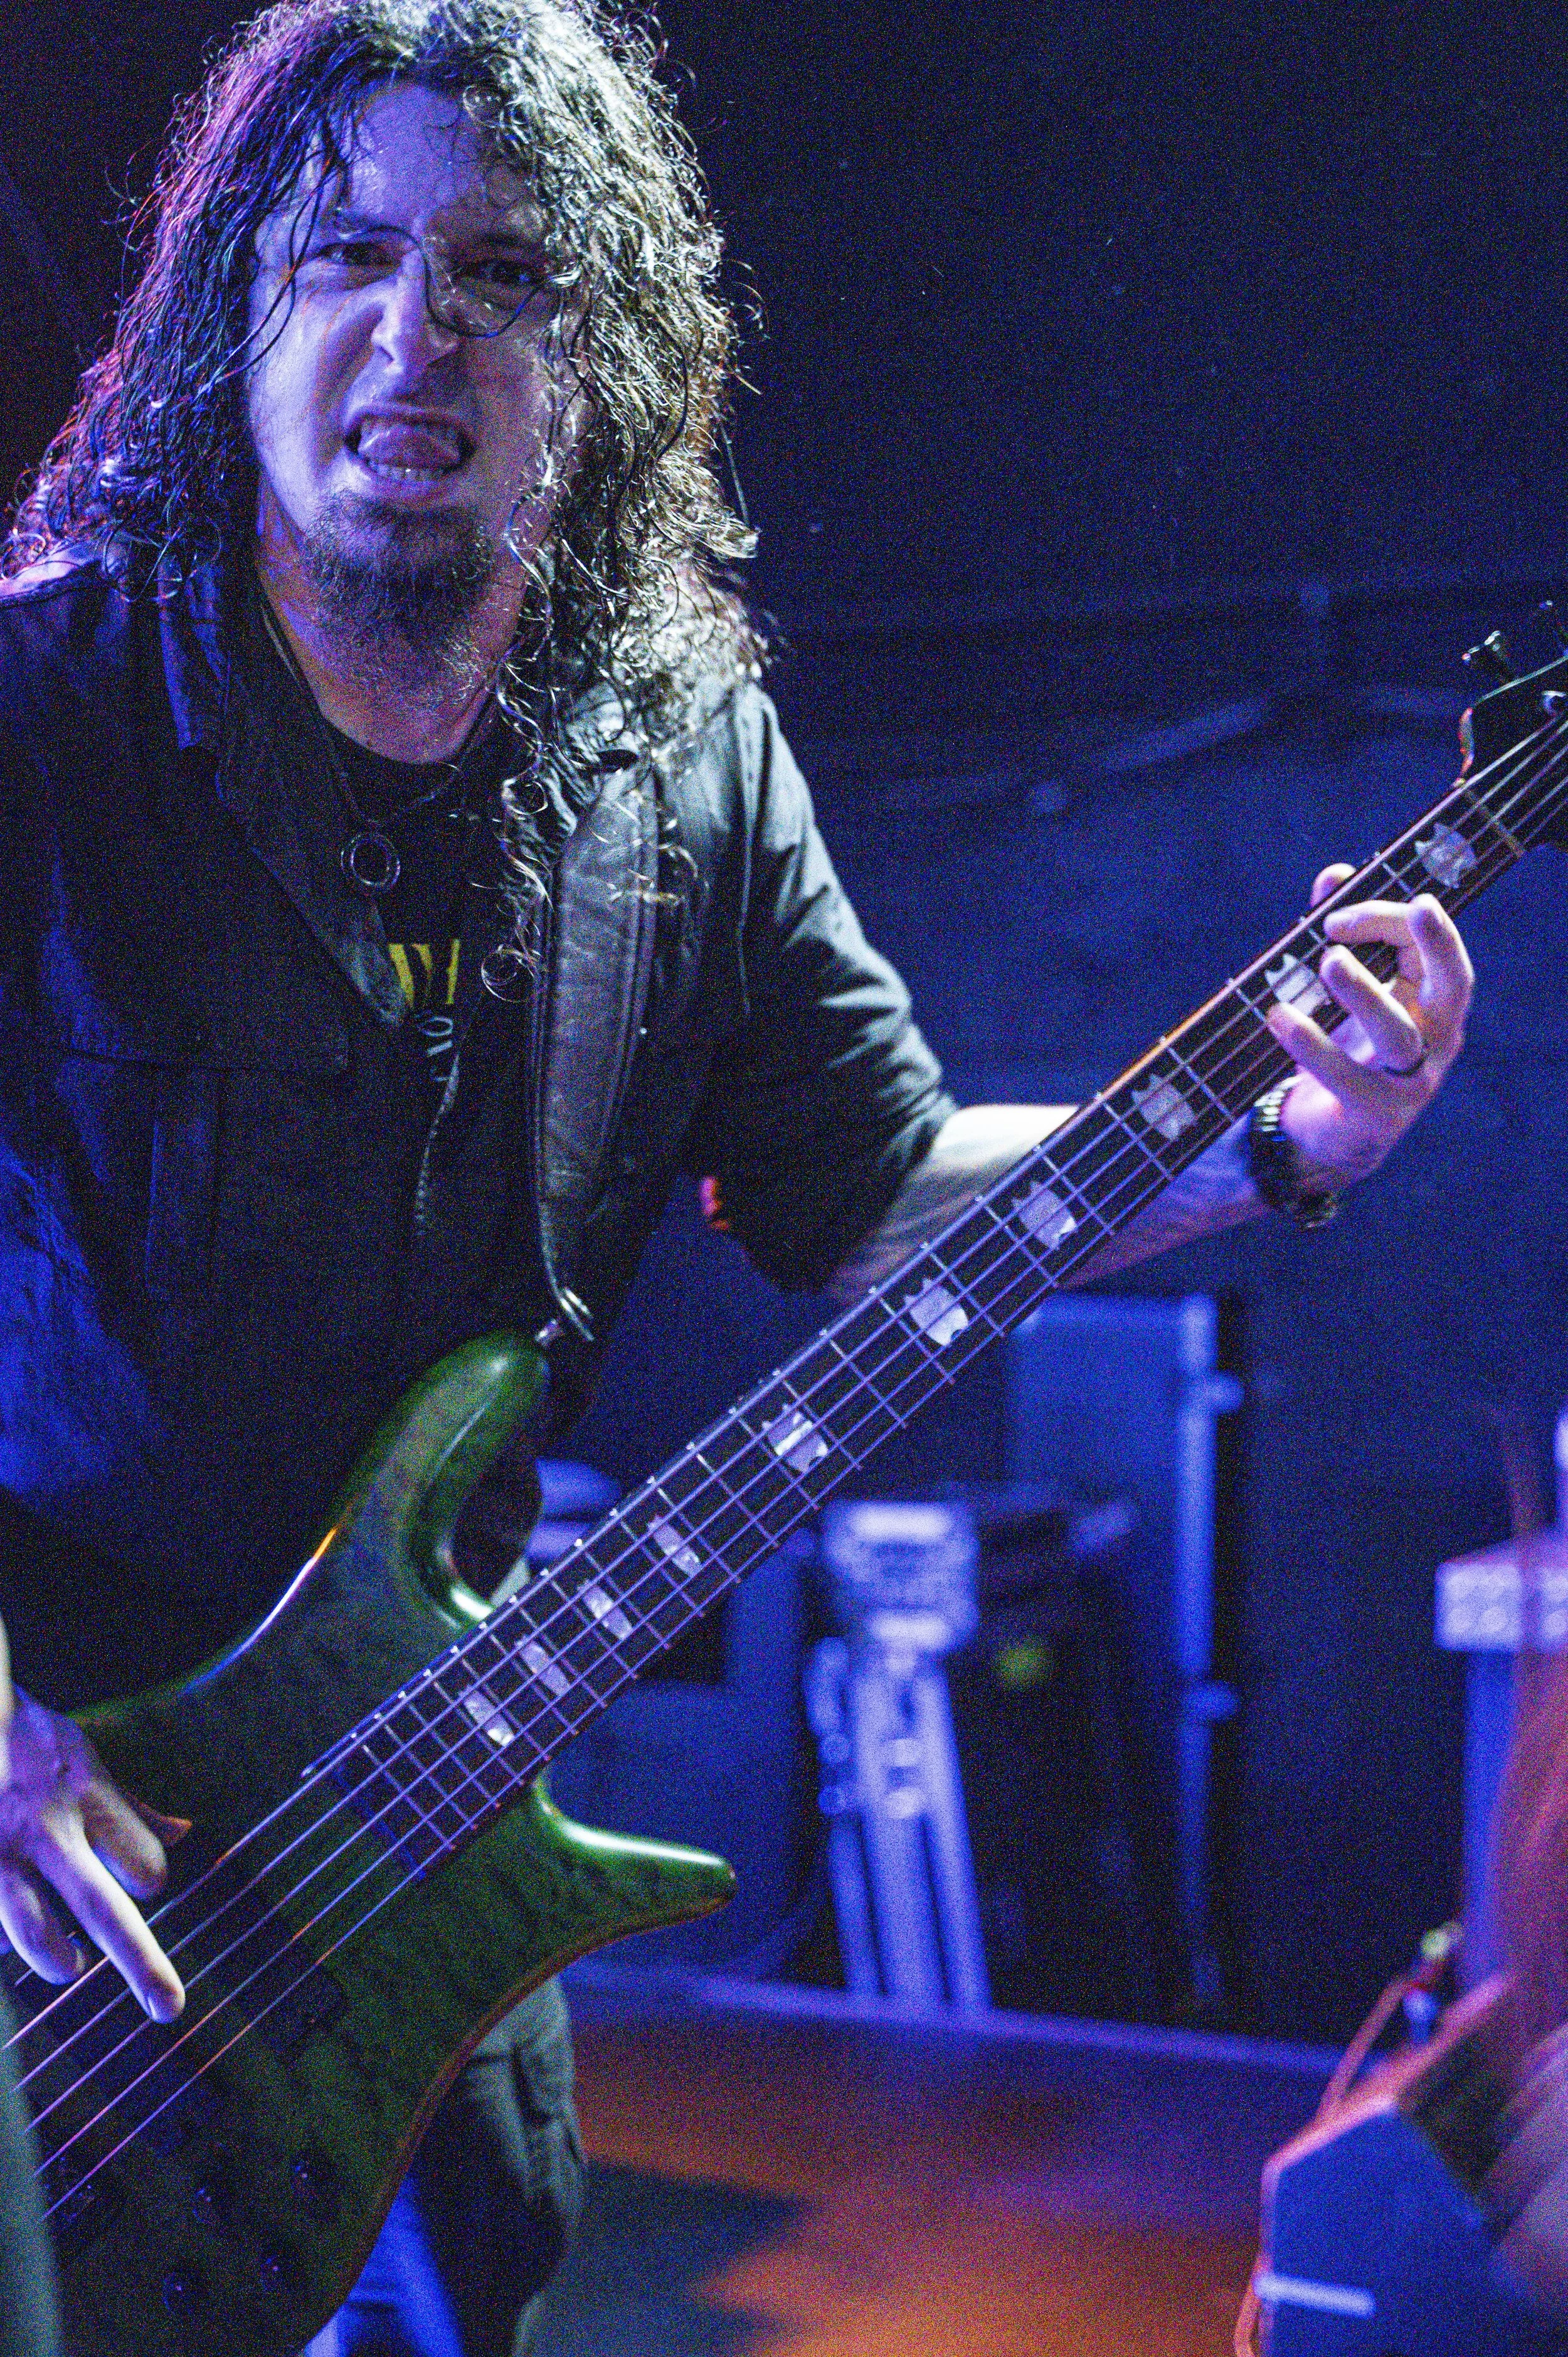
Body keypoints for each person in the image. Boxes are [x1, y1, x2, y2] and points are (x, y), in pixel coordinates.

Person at [0, 3, 1474, 2351]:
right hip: (45, 1864)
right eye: (345, 254)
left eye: (501, 270)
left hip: (419, 1867)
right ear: (223, 315)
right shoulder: (46, 722)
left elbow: (880, 1192)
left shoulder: (675, 767)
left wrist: (1289, 1144)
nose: (415, 330)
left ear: (601, 354)